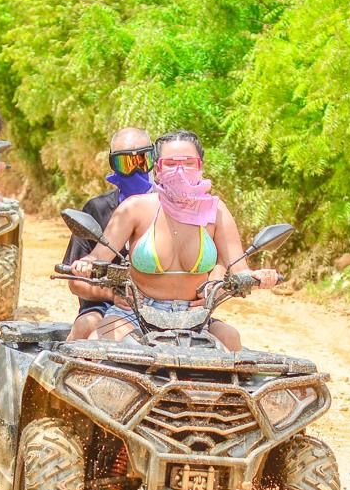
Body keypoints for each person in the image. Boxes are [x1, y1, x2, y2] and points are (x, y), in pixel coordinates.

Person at [70, 130, 279, 350]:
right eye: (170, 163)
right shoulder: (134, 208)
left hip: (195, 318)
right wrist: (86, 264)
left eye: (188, 163)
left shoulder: (217, 211)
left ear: (200, 166)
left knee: (231, 338)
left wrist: (259, 276)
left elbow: (239, 268)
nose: (180, 170)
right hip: (135, 313)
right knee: (96, 346)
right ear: (158, 168)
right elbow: (98, 257)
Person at [61, 126, 155, 340]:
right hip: (106, 305)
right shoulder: (97, 209)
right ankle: (71, 371)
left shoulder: (172, 209)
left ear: (154, 159)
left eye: (141, 161)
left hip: (168, 306)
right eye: (125, 164)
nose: (135, 171)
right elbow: (75, 280)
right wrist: (113, 295)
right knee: (87, 325)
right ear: (113, 165)